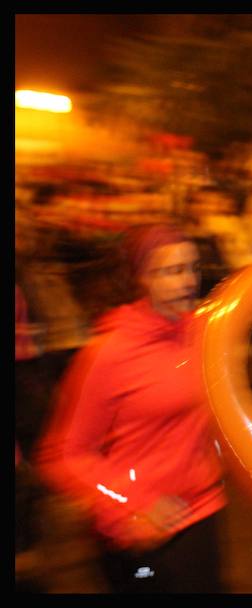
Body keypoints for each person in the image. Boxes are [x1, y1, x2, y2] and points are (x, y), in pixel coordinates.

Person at [36, 223, 227, 592]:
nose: (188, 281)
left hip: (205, 511)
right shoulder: (108, 353)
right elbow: (63, 455)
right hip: (142, 532)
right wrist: (130, 503)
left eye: (193, 268)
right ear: (142, 279)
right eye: (172, 271)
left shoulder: (203, 333)